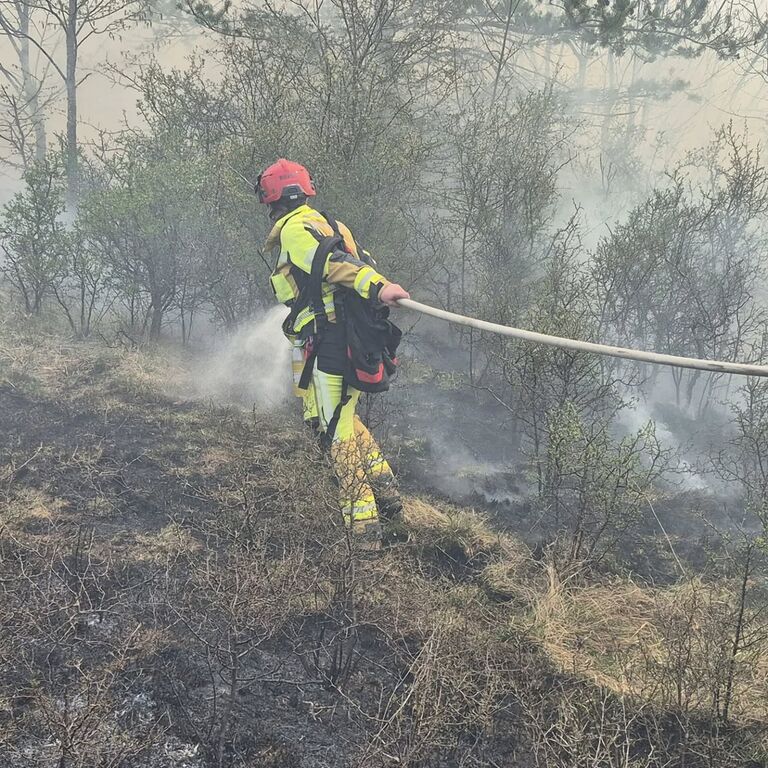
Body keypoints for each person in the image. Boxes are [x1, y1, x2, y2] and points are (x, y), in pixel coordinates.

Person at [257, 158, 410, 548]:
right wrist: (378, 284)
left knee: (335, 430)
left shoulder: (296, 230)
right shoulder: (332, 225)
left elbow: (333, 265)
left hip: (329, 341)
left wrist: (379, 287)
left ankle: (365, 531)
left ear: (270, 197)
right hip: (322, 338)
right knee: (335, 416)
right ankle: (387, 495)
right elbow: (356, 261)